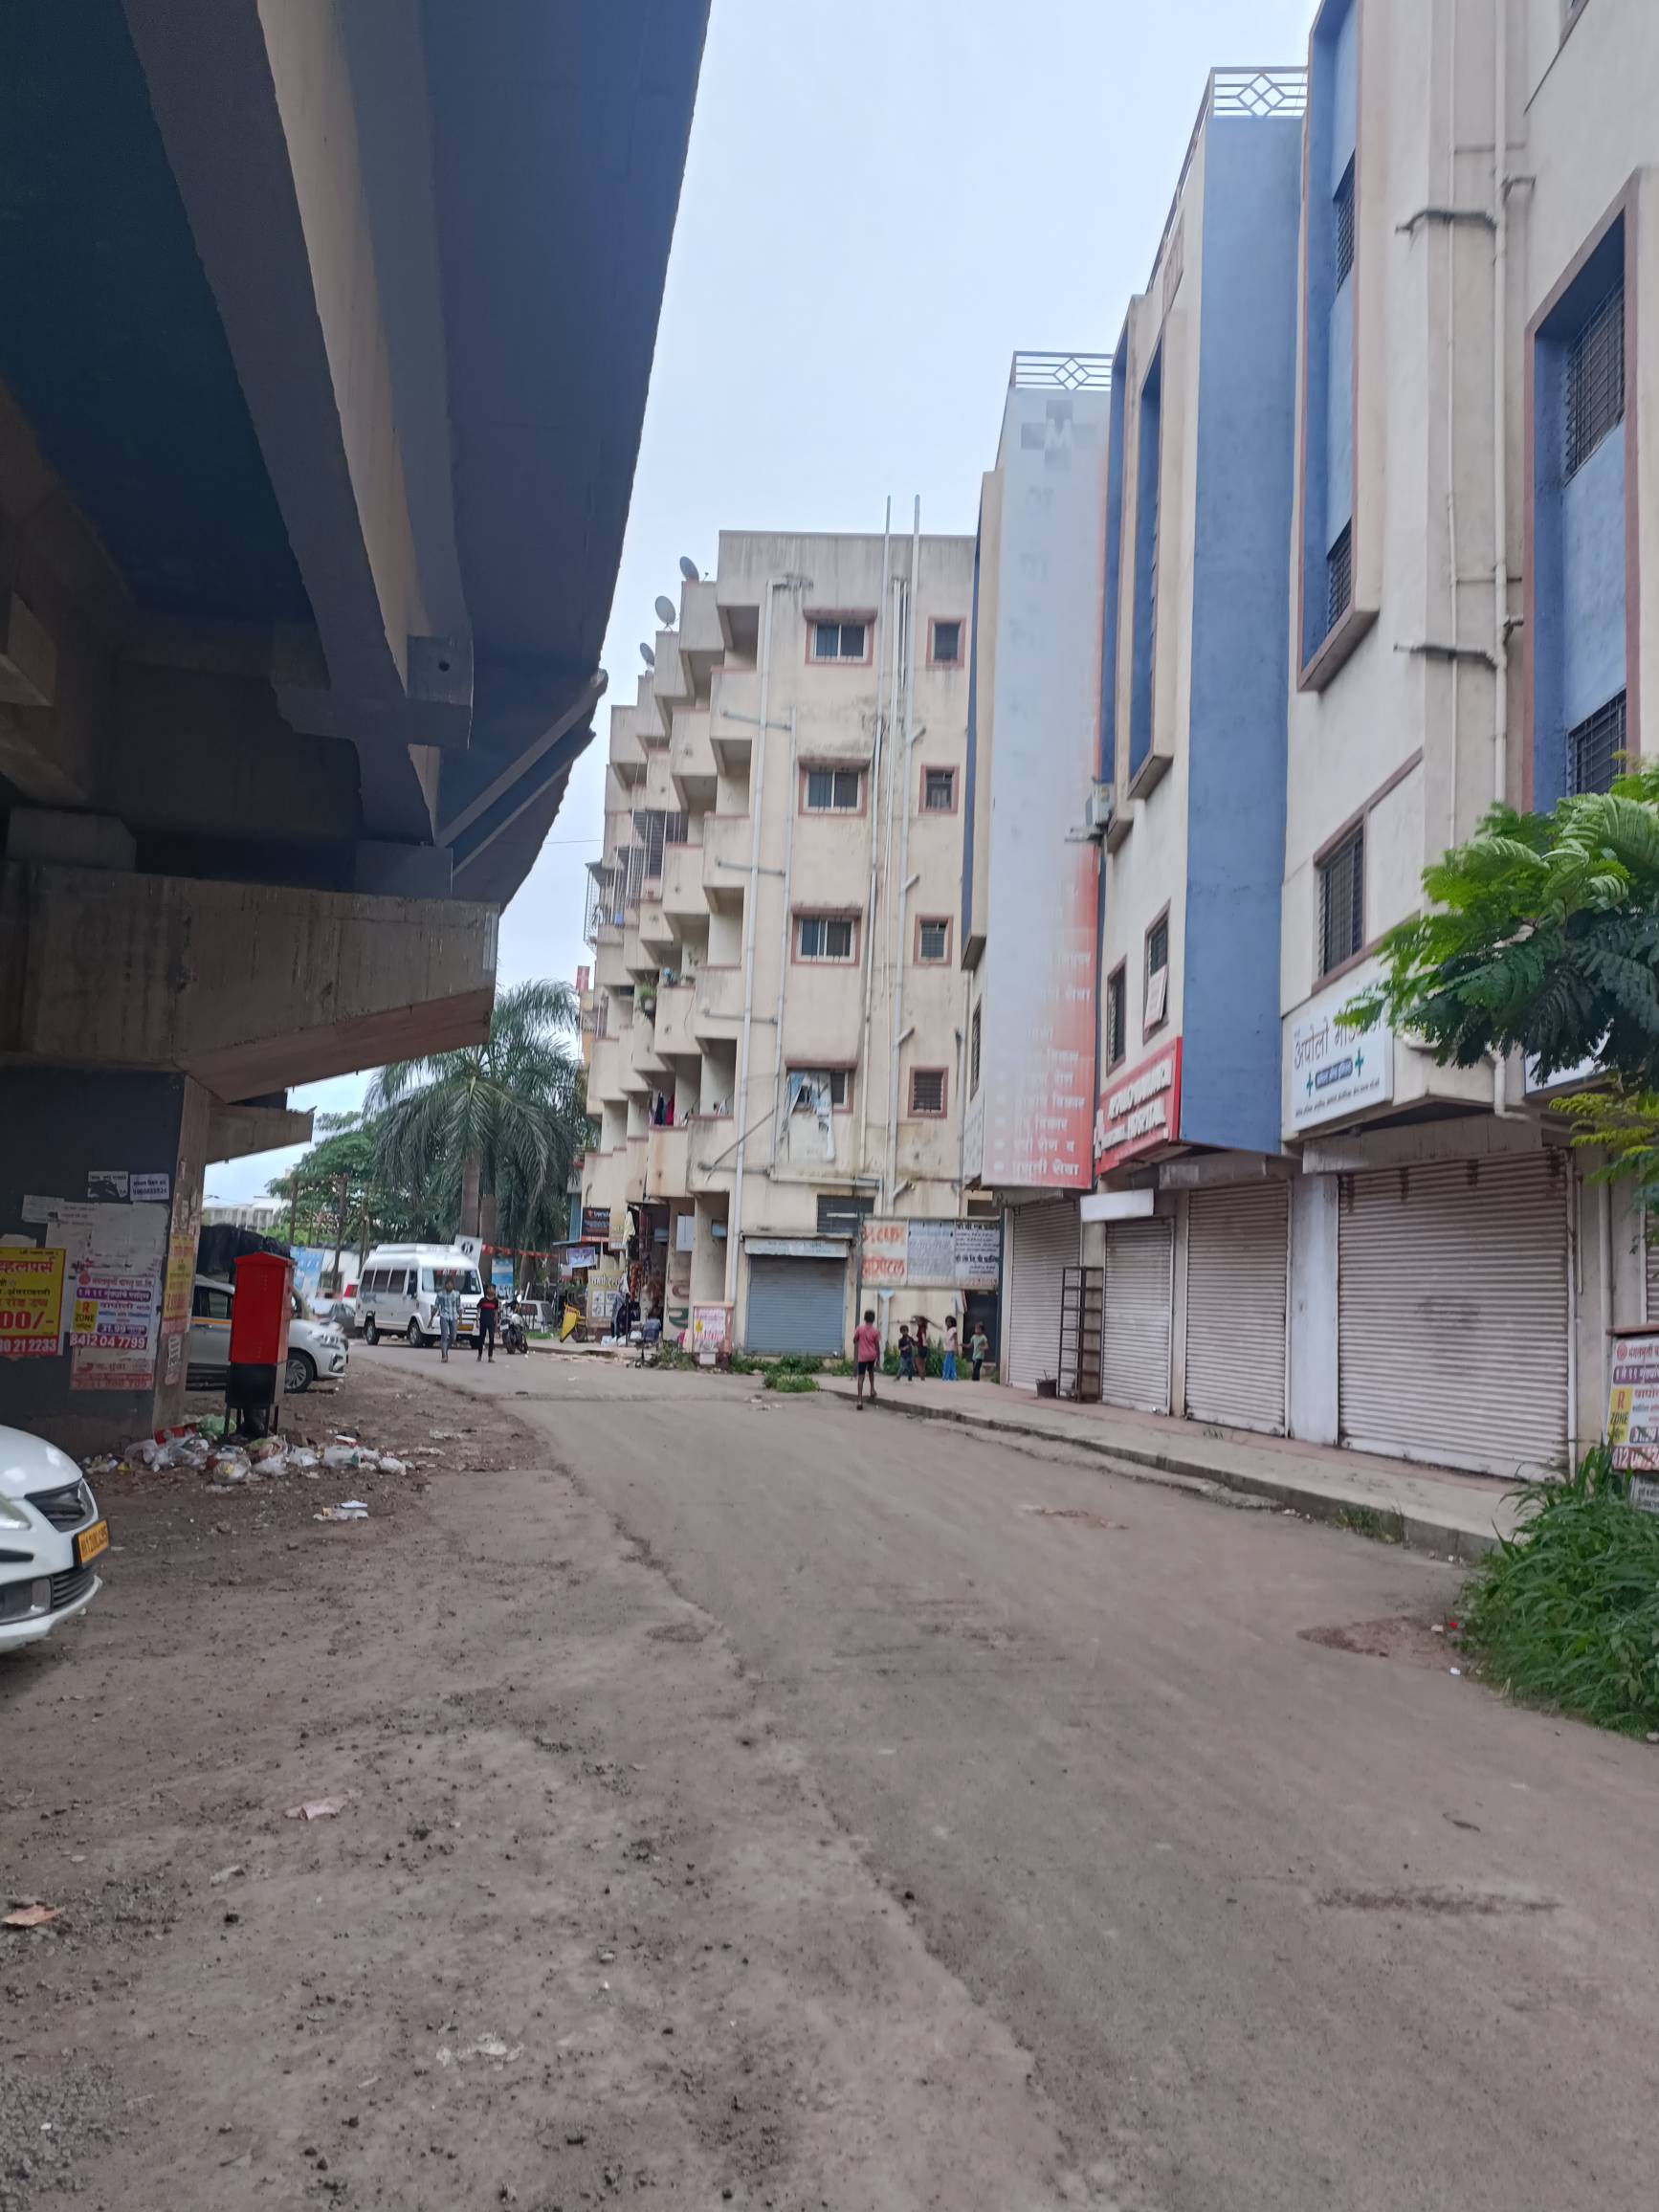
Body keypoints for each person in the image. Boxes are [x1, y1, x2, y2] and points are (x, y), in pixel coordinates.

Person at [854, 1308, 881, 1410]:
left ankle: (859, 1400)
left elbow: (855, 1340)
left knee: (861, 1377)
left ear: (864, 1318)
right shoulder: (876, 1331)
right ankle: (872, 1389)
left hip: (862, 1356)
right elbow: (877, 1346)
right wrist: (878, 1359)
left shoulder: (859, 1328)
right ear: (873, 1319)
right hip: (872, 1355)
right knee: (871, 1372)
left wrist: (858, 1338)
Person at [434, 1272, 460, 1362]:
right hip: (444, 1316)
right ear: (445, 1285)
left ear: (453, 1285)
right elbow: (436, 1306)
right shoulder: (440, 1294)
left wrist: (461, 1318)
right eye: (447, 1284)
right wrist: (432, 1318)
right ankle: (444, 1355)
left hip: (454, 1316)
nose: (449, 1285)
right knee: (444, 1336)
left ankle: (446, 1349)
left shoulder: (456, 1294)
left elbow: (459, 1307)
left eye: (451, 1284)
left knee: (453, 1337)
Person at [476, 1280, 500, 1361]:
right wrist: (477, 1321)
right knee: (481, 1339)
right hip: (483, 1321)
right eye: (489, 1288)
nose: (490, 1290)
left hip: (491, 1322)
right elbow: (478, 1311)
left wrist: (496, 1323)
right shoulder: (483, 1300)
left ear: (494, 1291)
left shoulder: (495, 1301)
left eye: (492, 1288)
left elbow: (496, 1312)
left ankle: (490, 1356)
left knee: (491, 1339)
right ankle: (479, 1355)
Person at [941, 1315, 959, 1382]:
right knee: (951, 1363)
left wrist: (956, 1349)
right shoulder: (947, 1330)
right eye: (947, 1322)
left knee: (948, 1363)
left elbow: (955, 1339)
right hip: (948, 1349)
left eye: (949, 1322)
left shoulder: (953, 1329)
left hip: (951, 1349)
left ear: (952, 1323)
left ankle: (948, 1376)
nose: (947, 1323)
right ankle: (952, 1376)